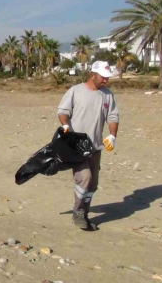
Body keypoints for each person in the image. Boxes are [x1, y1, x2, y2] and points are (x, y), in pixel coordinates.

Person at [57, 61, 119, 230]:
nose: (106, 81)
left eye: (107, 78)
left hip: (96, 146)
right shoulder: (76, 91)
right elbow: (63, 111)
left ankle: (84, 212)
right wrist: (65, 125)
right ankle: (78, 213)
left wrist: (112, 135)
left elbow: (113, 117)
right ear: (93, 75)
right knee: (85, 177)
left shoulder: (107, 95)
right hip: (76, 146)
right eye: (103, 77)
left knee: (93, 185)